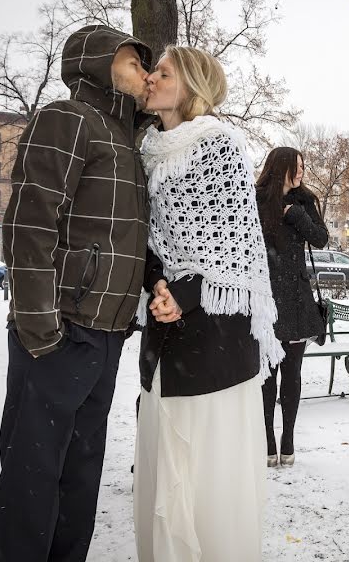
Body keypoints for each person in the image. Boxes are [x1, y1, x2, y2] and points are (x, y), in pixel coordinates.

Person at [0, 25, 152, 562]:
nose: (143, 74)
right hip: (60, 328)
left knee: (81, 471)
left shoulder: (128, 141)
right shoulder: (67, 118)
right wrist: (39, 327)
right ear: (99, 64)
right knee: (32, 473)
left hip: (105, 333)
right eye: (132, 63)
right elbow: (30, 224)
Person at [132, 45, 283, 562]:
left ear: (191, 87)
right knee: (164, 472)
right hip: (164, 332)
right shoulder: (146, 150)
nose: (151, 78)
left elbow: (234, 245)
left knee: (207, 478)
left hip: (213, 340)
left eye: (163, 72)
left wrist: (186, 295)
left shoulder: (219, 145)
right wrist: (157, 284)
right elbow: (148, 238)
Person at [255, 147, 329, 467]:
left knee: (292, 372)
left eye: (303, 167)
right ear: (280, 167)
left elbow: (321, 238)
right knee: (268, 375)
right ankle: (267, 440)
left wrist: (296, 215)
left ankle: (288, 439)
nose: (300, 172)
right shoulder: (256, 199)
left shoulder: (305, 201)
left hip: (297, 298)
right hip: (266, 298)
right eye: (295, 167)